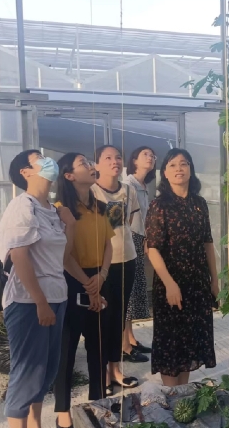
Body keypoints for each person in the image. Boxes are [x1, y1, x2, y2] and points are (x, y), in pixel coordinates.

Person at [0, 150, 74, 428]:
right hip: (28, 302)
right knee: (28, 372)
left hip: (57, 297)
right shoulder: (22, 205)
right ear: (25, 172)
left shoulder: (52, 210)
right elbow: (19, 256)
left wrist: (70, 224)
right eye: (38, 158)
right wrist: (40, 301)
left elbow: (63, 257)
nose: (47, 160)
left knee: (46, 371)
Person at [53, 153, 117, 428]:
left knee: (98, 348)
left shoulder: (101, 207)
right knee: (66, 350)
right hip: (71, 281)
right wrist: (87, 284)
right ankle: (63, 413)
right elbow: (62, 255)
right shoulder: (60, 211)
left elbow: (109, 244)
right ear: (69, 176)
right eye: (84, 164)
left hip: (100, 279)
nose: (91, 166)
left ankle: (98, 404)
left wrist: (101, 276)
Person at [146, 148, 218, 387]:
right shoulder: (159, 205)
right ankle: (171, 395)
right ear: (165, 173)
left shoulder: (199, 204)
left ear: (191, 170)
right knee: (171, 344)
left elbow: (208, 243)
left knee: (189, 344)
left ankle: (183, 392)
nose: (179, 169)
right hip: (171, 283)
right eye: (173, 165)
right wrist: (169, 284)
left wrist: (214, 281)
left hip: (197, 283)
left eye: (184, 164)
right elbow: (152, 249)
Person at [92, 146, 149, 382]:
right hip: (100, 264)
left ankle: (115, 369)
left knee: (119, 316)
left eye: (117, 157)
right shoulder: (91, 191)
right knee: (102, 319)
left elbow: (130, 220)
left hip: (127, 259)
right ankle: (102, 372)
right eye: (107, 158)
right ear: (97, 165)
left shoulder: (128, 190)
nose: (114, 161)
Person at [122, 146, 157, 356]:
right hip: (130, 239)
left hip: (140, 239)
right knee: (127, 292)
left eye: (152, 155)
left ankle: (131, 338)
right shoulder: (128, 185)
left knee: (134, 292)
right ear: (134, 160)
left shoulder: (143, 185)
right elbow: (126, 219)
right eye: (146, 154)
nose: (151, 157)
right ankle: (124, 345)